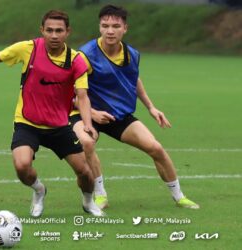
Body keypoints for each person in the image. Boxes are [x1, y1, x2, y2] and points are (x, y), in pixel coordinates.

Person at [0, 10, 104, 217]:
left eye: (59, 30)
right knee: (22, 167)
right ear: (42, 30)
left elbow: (82, 96)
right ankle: (39, 190)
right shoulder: (28, 48)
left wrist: (87, 124)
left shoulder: (77, 60)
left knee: (85, 172)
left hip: (59, 125)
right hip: (27, 122)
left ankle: (88, 202)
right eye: (49, 30)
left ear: (68, 32)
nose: (54, 35)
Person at [70, 5, 199, 209]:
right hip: (85, 112)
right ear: (99, 27)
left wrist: (151, 107)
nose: (110, 30)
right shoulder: (85, 55)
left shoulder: (132, 54)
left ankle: (179, 196)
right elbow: (69, 92)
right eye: (105, 26)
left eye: (115, 26)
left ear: (125, 28)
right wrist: (92, 113)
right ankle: (100, 195)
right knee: (87, 143)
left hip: (116, 115)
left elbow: (134, 79)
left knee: (155, 148)